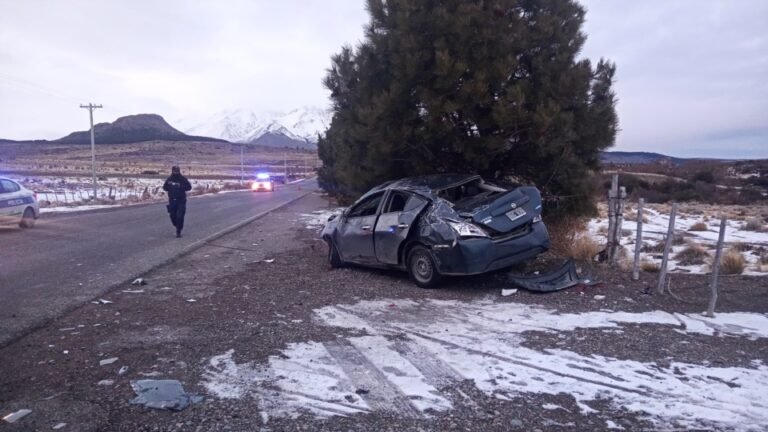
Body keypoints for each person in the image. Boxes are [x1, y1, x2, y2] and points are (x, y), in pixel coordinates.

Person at [162, 166, 192, 237]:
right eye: (174, 171)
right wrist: (170, 187)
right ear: (172, 171)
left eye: (177, 171)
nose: (175, 172)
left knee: (180, 216)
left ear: (179, 171)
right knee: (172, 216)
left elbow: (189, 187)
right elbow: (164, 187)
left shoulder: (182, 179)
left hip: (181, 200)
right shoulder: (170, 179)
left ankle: (178, 230)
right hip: (172, 200)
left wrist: (180, 186)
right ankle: (177, 226)